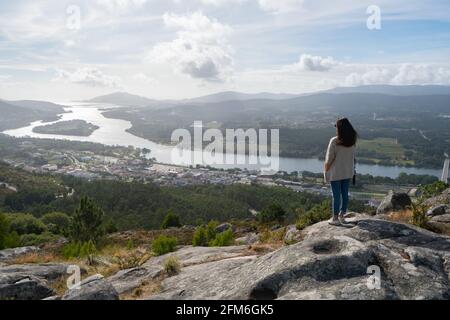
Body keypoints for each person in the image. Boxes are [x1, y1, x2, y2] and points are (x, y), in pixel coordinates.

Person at [324, 118, 357, 226]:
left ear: (340, 128)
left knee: (336, 195)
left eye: (336, 127)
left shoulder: (334, 140)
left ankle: (335, 218)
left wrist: (326, 170)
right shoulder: (352, 141)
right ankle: (342, 216)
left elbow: (329, 159)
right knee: (345, 194)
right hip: (347, 172)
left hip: (336, 172)